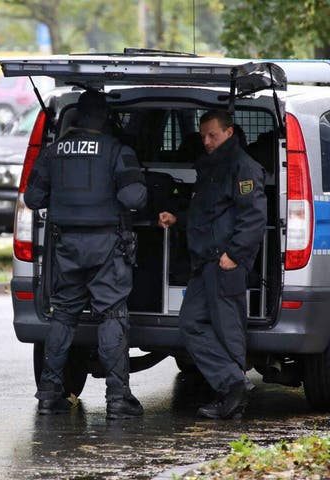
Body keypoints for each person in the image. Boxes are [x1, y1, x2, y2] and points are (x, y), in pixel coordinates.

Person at [24, 90, 148, 420]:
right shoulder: (116, 151)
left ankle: (50, 394)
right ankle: (118, 398)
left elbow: (33, 198)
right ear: (105, 118)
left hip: (65, 248)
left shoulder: (53, 152)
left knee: (63, 314)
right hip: (107, 246)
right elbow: (134, 195)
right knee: (112, 315)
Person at [158, 110, 267, 420]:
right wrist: (178, 218)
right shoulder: (211, 167)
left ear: (229, 133)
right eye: (203, 135)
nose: (205, 141)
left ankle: (231, 396)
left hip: (225, 263)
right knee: (190, 323)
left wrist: (235, 254)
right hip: (205, 262)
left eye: (212, 135)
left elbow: (254, 216)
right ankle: (233, 385)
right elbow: (206, 212)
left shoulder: (242, 167)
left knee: (228, 329)